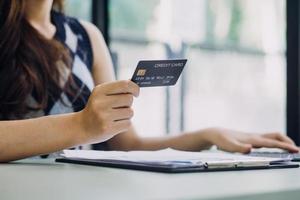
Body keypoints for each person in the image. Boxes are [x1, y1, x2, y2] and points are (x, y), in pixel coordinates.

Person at [0, 0, 298, 163]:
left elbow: (127, 144)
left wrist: (208, 136)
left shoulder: (86, 36)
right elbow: (87, 128)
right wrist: (81, 125)